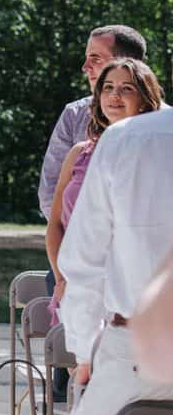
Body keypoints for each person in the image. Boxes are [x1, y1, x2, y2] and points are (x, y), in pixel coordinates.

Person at [57, 104, 173, 415]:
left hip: (133, 349)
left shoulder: (127, 138)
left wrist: (84, 353)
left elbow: (83, 260)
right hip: (134, 345)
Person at [50, 61, 163, 316]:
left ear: (145, 99)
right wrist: (62, 279)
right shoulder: (79, 153)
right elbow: (56, 224)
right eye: (108, 87)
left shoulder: (158, 155)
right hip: (78, 292)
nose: (114, 95)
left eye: (126, 89)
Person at [39, 28, 150, 224]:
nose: (85, 67)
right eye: (86, 58)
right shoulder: (74, 115)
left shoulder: (163, 125)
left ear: (129, 63)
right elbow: (50, 193)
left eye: (96, 58)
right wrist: (76, 242)